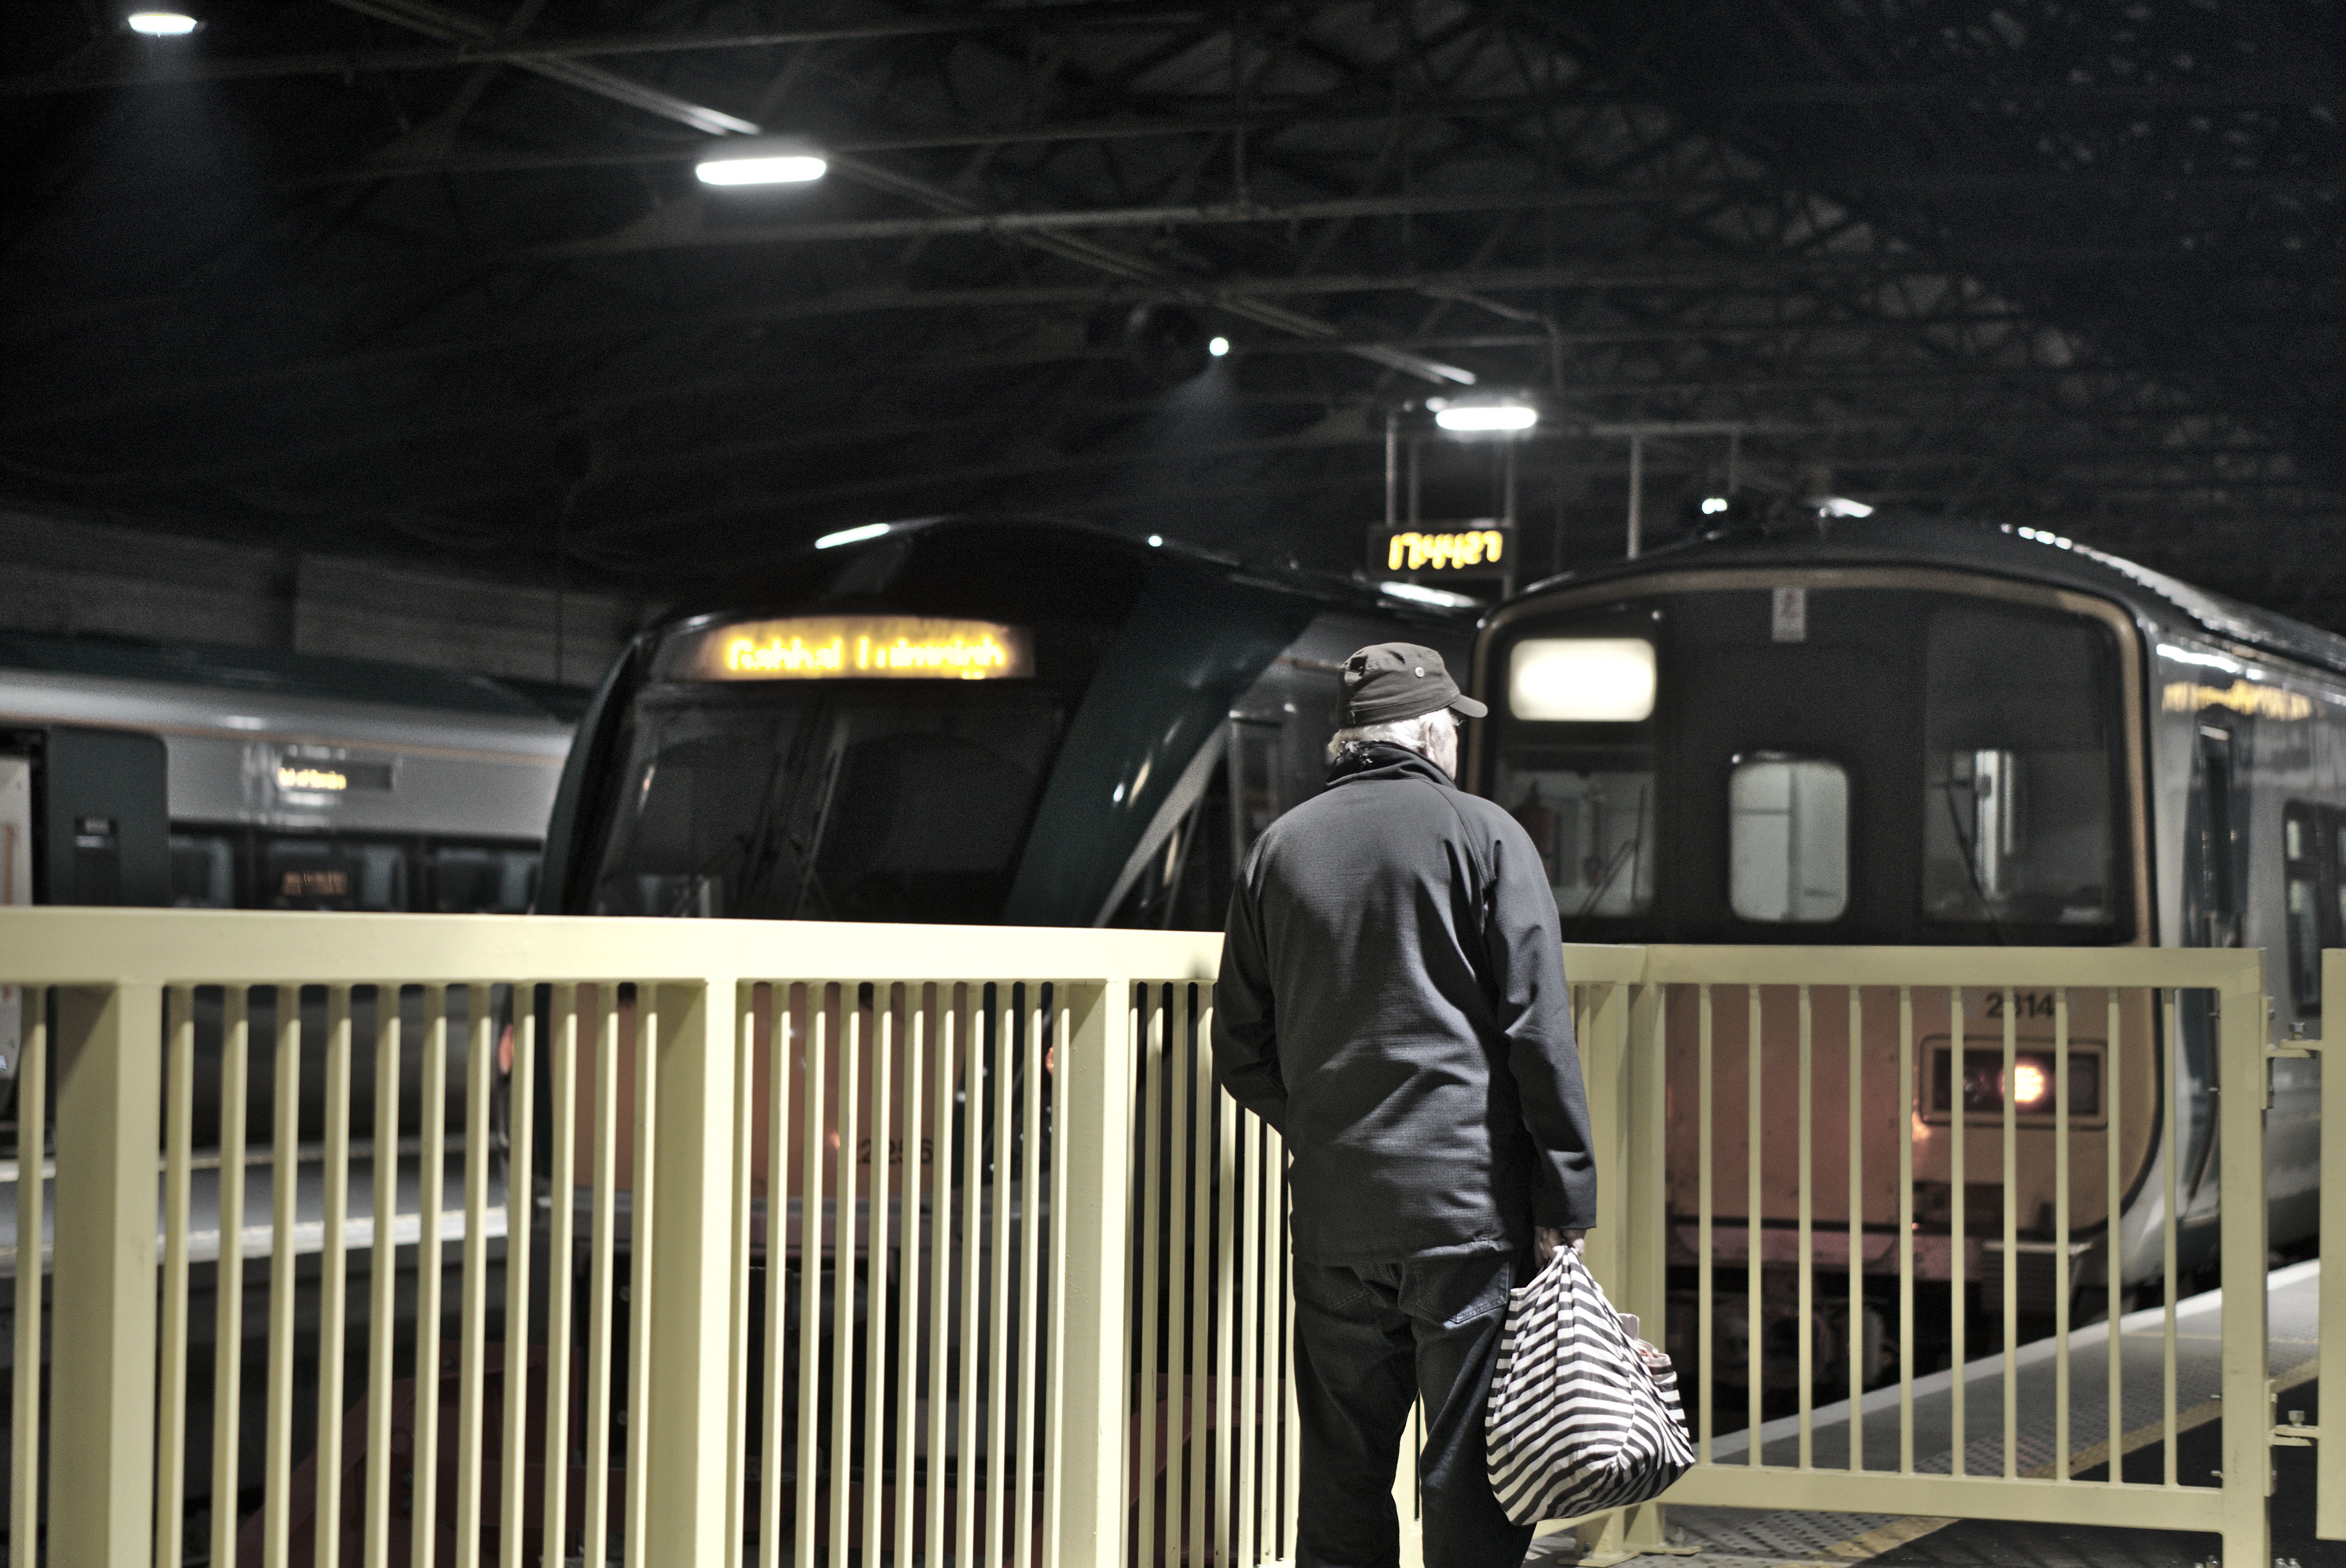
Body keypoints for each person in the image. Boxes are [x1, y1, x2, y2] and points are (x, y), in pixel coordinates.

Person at [1212, 641, 1597, 1568]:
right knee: (1468, 1475)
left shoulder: (1279, 848)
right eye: (1452, 726)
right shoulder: (1485, 836)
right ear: (1429, 731)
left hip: (1337, 1214)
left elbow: (1240, 1051)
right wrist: (1564, 1198)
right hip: (1465, 1214)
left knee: (1341, 1471)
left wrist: (1327, 1124)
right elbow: (1537, 1034)